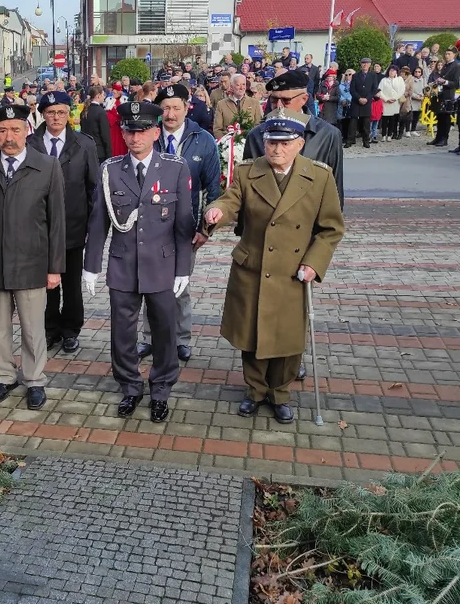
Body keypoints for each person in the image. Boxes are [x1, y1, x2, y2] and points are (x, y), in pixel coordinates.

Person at [201, 110, 345, 424]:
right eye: (270, 142)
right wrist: (216, 211)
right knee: (251, 334)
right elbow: (231, 201)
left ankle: (280, 393)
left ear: (300, 143)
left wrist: (313, 263)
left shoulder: (319, 176)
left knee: (287, 339)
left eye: (284, 143)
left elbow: (332, 228)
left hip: (292, 271)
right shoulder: (247, 171)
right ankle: (254, 391)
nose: (276, 149)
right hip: (253, 267)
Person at [83, 101, 193, 423]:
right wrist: (91, 265)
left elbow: (184, 223)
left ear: (156, 131)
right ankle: (130, 386)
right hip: (122, 266)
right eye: (129, 130)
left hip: (162, 265)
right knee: (122, 334)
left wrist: (183, 267)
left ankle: (160, 389)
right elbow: (98, 221)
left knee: (164, 332)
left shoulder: (175, 167)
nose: (135, 137)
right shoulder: (110, 169)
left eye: (142, 130)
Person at [0, 103, 66, 411]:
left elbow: (56, 221)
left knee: (34, 328)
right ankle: (5, 377)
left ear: (27, 131)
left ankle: (34, 380)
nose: (10, 137)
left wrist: (55, 267)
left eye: (16, 129)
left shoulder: (46, 165)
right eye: (3, 130)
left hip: (32, 261)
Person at [135, 84, 221, 363]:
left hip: (186, 229)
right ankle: (150, 337)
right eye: (165, 108)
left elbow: (213, 190)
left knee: (179, 285)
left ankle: (182, 339)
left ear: (187, 108)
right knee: (150, 284)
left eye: (176, 107)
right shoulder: (150, 137)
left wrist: (205, 230)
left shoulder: (203, 139)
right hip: (151, 229)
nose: (170, 113)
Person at [27, 91, 100, 353]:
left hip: (73, 226)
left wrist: (94, 227)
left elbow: (94, 188)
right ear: (42, 114)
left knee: (71, 283)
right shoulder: (30, 143)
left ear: (70, 114)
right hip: (39, 228)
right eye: (50, 112)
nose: (56, 117)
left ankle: (70, 329)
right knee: (43, 284)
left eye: (61, 112)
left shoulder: (84, 144)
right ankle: (49, 329)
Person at [245, 70, 345, 207]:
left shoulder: (328, 135)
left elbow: (335, 188)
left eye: (286, 101)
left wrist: (333, 224)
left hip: (308, 219)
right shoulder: (256, 135)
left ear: (304, 99)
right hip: (266, 220)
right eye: (274, 100)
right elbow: (247, 185)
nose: (279, 106)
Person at [429, 48, 460, 147]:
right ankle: (438, 137)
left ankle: (444, 138)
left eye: (449, 54)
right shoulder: (445, 65)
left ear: (454, 54)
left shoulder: (456, 66)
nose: (446, 55)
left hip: (448, 94)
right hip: (440, 93)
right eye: (446, 53)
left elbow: (456, 83)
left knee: (446, 118)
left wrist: (445, 82)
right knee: (439, 117)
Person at [213, 74, 263, 139]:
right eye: (238, 85)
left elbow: (259, 125)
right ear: (231, 87)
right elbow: (217, 129)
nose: (241, 88)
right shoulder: (221, 104)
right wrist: (227, 141)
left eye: (243, 84)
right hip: (229, 144)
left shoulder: (254, 103)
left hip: (249, 143)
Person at [350, 57, 380, 150]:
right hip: (356, 101)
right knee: (353, 122)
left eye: (367, 63)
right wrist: (359, 98)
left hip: (367, 102)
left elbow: (374, 89)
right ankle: (350, 140)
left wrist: (367, 98)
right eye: (363, 63)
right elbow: (352, 89)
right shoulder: (355, 76)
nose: (365, 65)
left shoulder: (373, 75)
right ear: (361, 64)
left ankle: (366, 141)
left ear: (370, 65)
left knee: (366, 123)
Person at [80, 85, 112, 162]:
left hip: (86, 150)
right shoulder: (101, 112)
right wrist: (109, 154)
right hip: (99, 152)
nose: (104, 97)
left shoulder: (84, 111)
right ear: (98, 96)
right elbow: (105, 135)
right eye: (103, 95)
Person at [378, 66, 405, 142]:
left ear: (396, 72)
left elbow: (402, 90)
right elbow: (380, 90)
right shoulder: (384, 80)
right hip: (385, 102)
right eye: (390, 70)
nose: (392, 72)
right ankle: (383, 135)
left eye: (393, 71)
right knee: (385, 119)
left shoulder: (399, 79)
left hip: (395, 102)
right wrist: (386, 99)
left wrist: (395, 98)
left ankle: (389, 135)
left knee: (392, 119)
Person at [408, 67, 426, 137]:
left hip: (420, 101)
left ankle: (413, 130)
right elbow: (409, 90)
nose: (417, 73)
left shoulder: (423, 80)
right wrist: (416, 96)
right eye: (416, 71)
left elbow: (425, 89)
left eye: (419, 72)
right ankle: (407, 130)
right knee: (409, 116)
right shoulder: (411, 80)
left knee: (416, 116)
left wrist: (423, 95)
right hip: (412, 100)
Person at [338, 70, 354, 147]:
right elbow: (338, 93)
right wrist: (342, 99)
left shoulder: (354, 84)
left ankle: (351, 138)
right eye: (346, 74)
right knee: (344, 121)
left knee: (351, 122)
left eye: (350, 74)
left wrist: (349, 99)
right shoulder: (341, 85)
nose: (348, 76)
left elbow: (355, 92)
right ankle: (344, 137)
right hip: (343, 105)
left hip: (352, 104)